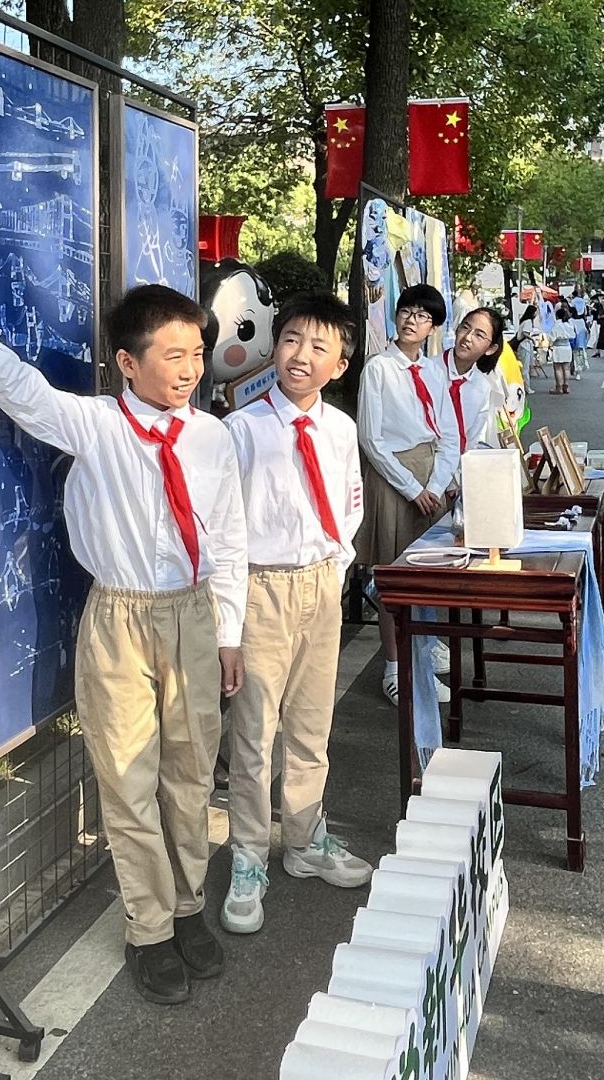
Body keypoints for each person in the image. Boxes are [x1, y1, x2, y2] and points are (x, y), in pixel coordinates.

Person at [0, 215, 247, 1008]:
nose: (189, 369)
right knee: (128, 778)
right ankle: (149, 928)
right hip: (120, 620)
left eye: (196, 354)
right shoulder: (96, 426)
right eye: (172, 355)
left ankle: (189, 906)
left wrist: (229, 634)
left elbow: (229, 538)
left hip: (193, 614)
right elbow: (19, 387)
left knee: (190, 775)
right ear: (128, 362)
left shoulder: (211, 438)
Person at [221, 293, 374, 937]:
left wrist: (334, 572)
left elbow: (350, 507)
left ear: (340, 364)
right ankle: (249, 854)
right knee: (255, 731)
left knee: (312, 724)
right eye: (290, 340)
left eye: (318, 346)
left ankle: (306, 838)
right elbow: (225, 526)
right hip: (261, 588)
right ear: (273, 346)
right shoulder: (243, 429)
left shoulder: (339, 429)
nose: (300, 356)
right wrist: (230, 615)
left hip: (320, 587)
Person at [358, 283, 457, 706]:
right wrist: (413, 488)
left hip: (430, 474)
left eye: (422, 316)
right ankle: (395, 668)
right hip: (392, 478)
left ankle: (423, 653)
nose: (411, 321)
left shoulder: (435, 371)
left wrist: (434, 486)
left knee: (427, 576)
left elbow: (449, 434)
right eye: (406, 312)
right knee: (391, 578)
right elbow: (371, 439)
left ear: (433, 327)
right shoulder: (379, 369)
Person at [441, 307, 504, 450]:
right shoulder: (427, 372)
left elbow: (472, 439)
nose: (468, 337)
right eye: (465, 328)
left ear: (490, 349)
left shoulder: (482, 386)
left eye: (479, 335)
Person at [549, 303, 575, 394]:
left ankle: (558, 387)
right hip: (567, 346)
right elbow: (573, 335)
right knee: (566, 368)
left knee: (558, 368)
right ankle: (566, 386)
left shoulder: (556, 325)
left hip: (558, 347)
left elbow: (552, 337)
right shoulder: (569, 325)